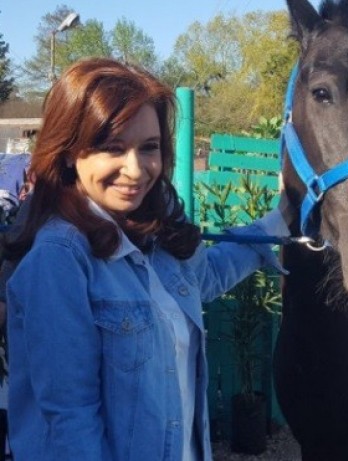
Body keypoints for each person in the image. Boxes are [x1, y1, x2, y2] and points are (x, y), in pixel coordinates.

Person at [1, 57, 291, 461]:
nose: (135, 169)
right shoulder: (60, 259)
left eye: (149, 147)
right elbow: (70, 426)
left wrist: (280, 220)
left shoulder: (152, 231)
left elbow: (204, 280)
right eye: (112, 148)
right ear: (70, 153)